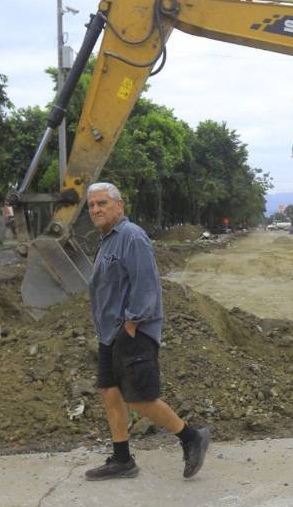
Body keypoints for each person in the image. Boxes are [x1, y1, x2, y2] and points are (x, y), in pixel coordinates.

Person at [82, 182, 210, 481]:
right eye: (91, 205)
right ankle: (122, 459)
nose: (96, 209)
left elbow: (146, 283)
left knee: (139, 398)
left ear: (119, 205)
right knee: (110, 393)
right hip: (109, 332)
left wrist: (132, 322)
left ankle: (191, 437)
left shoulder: (131, 236)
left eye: (102, 203)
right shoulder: (106, 240)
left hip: (132, 331)